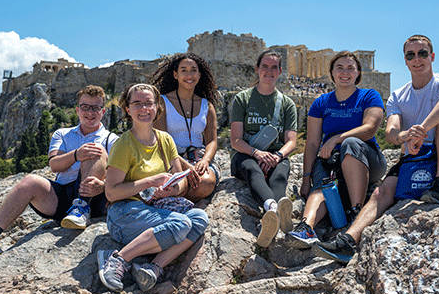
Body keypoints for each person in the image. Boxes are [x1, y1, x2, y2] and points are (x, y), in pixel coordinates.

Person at [313, 34, 439, 263]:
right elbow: (391, 133)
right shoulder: (398, 96)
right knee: (381, 193)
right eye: (411, 55)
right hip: (416, 156)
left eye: (422, 53)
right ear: (405, 61)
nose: (417, 59)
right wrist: (405, 136)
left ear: (432, 56)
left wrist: (422, 129)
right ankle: (348, 241)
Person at [0, 85, 118, 264]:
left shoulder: (112, 140)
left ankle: (82, 207)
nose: (90, 112)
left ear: (103, 111)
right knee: (29, 181)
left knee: (96, 150)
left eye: (95, 107)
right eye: (85, 107)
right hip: (62, 198)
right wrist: (77, 154)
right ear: (77, 110)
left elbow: (120, 177)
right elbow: (54, 165)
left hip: (94, 197)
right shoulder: (62, 134)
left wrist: (102, 186)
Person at [97, 83, 209, 292]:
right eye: (137, 103)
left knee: (200, 219)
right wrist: (149, 181)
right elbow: (111, 192)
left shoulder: (165, 139)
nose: (144, 109)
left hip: (154, 209)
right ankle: (116, 258)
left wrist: (171, 190)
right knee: (181, 223)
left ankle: (152, 267)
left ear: (158, 107)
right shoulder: (124, 145)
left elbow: (180, 181)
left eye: (149, 103)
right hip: (124, 213)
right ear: (127, 109)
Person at [286, 51, 386, 249]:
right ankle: (307, 227)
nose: (345, 72)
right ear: (331, 73)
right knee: (321, 185)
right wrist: (306, 178)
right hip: (332, 161)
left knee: (350, 144)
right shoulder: (321, 103)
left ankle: (355, 215)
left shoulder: (369, 96)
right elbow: (313, 143)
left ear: (358, 72)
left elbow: (370, 128)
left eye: (350, 68)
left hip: (366, 159)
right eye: (339, 68)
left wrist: (336, 139)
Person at [230, 49, 297, 248]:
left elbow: (291, 141)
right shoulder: (242, 99)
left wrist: (277, 156)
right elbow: (235, 140)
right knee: (252, 169)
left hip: (275, 155)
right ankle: (273, 208)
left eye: (274, 67)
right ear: (258, 69)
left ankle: (273, 214)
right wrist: (257, 153)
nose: (269, 71)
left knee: (280, 173)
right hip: (246, 154)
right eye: (265, 66)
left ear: (280, 71)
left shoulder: (287, 104)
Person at [152, 53, 220, 202]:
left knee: (205, 183)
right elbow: (161, 140)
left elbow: (212, 141)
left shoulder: (207, 106)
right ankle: (177, 194)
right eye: (184, 70)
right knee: (181, 181)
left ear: (200, 75)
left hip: (198, 156)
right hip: (169, 156)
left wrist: (205, 161)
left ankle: (174, 196)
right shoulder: (162, 102)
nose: (189, 75)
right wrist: (185, 166)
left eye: (193, 70)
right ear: (175, 75)